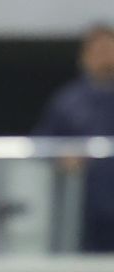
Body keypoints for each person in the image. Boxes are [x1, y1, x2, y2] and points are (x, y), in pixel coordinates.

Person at [35, 24, 114, 252]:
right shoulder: (68, 101)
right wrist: (61, 157)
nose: (104, 56)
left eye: (109, 49)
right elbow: (42, 144)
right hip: (84, 206)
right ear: (85, 57)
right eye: (97, 51)